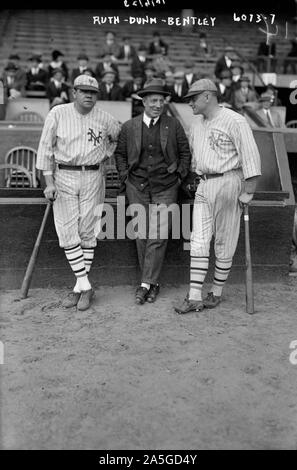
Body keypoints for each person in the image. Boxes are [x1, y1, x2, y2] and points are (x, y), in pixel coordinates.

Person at [175, 79, 261, 313]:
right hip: (204, 183)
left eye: (193, 98)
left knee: (224, 241)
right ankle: (194, 296)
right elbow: (195, 160)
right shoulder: (196, 124)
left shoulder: (235, 120)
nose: (189, 103)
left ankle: (216, 292)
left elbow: (251, 157)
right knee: (199, 240)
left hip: (229, 181)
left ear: (207, 96)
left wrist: (248, 191)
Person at [36, 75, 121, 310]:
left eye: (93, 92)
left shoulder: (106, 118)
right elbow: (45, 148)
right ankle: (85, 286)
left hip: (93, 175)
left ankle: (78, 288)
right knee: (66, 230)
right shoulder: (58, 113)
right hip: (64, 174)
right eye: (84, 91)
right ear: (74, 92)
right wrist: (49, 182)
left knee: (88, 231)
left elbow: (117, 138)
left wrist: (105, 154)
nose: (89, 96)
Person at [114, 78, 191, 305]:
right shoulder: (130, 126)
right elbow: (119, 154)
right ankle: (152, 283)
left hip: (166, 186)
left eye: (161, 100)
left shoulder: (173, 125)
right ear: (144, 102)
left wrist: (178, 176)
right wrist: (124, 176)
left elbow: (185, 153)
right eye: (153, 100)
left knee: (158, 235)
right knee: (141, 234)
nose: (158, 104)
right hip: (136, 186)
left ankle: (144, 284)